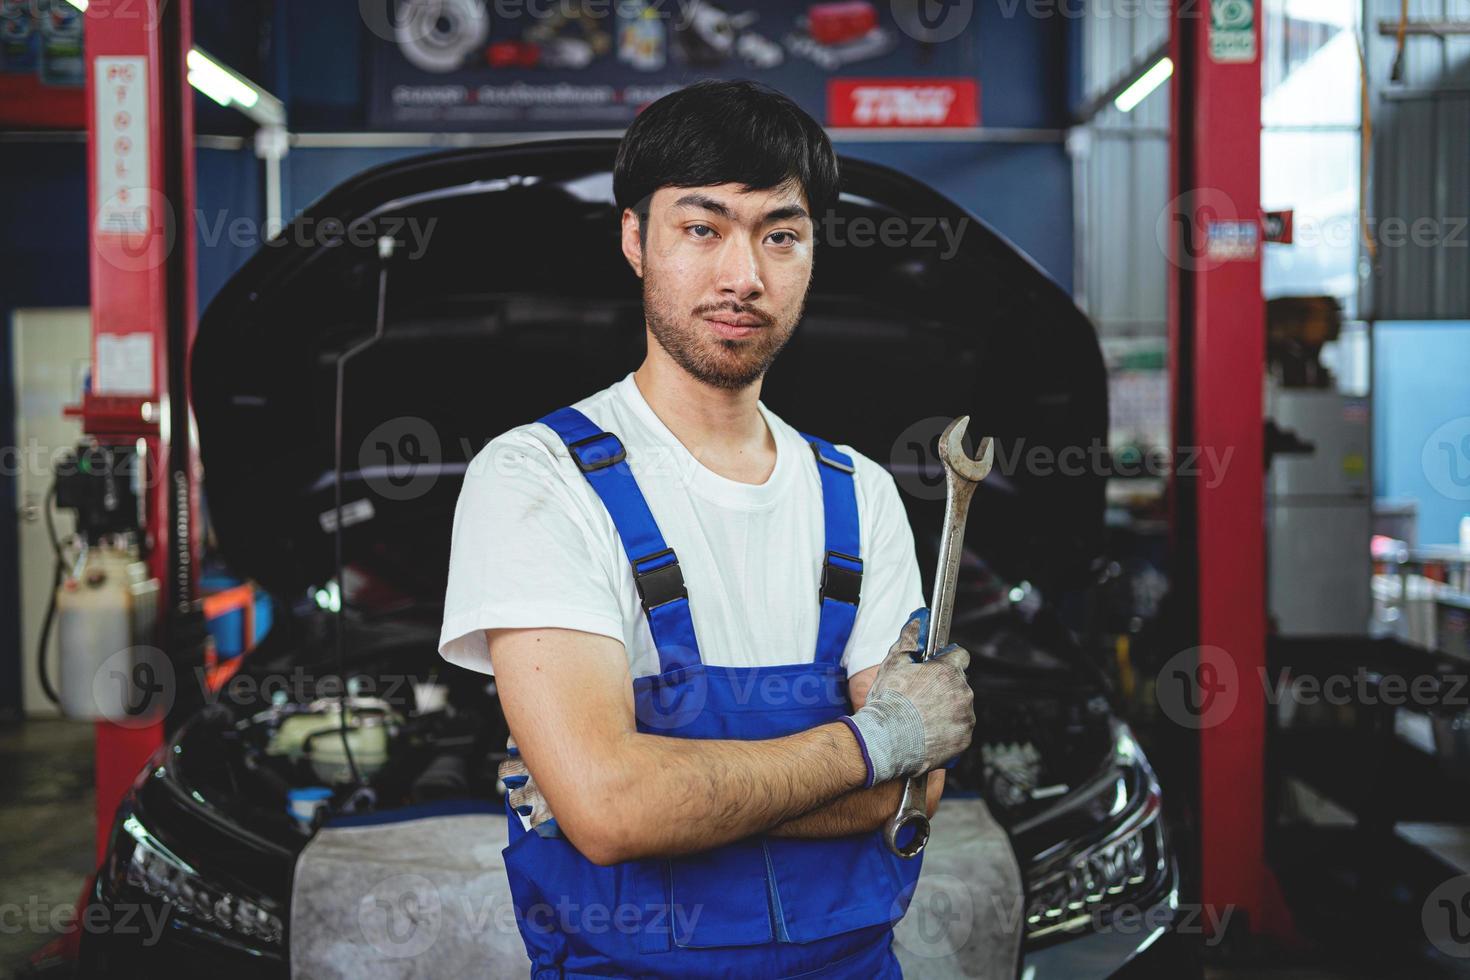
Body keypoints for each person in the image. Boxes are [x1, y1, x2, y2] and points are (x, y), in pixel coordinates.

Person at [438, 78, 976, 978]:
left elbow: (914, 793)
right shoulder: (536, 478)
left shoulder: (863, 492)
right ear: (633, 240)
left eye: (781, 234)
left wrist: (672, 791)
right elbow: (611, 811)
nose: (744, 276)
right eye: (702, 227)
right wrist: (873, 745)